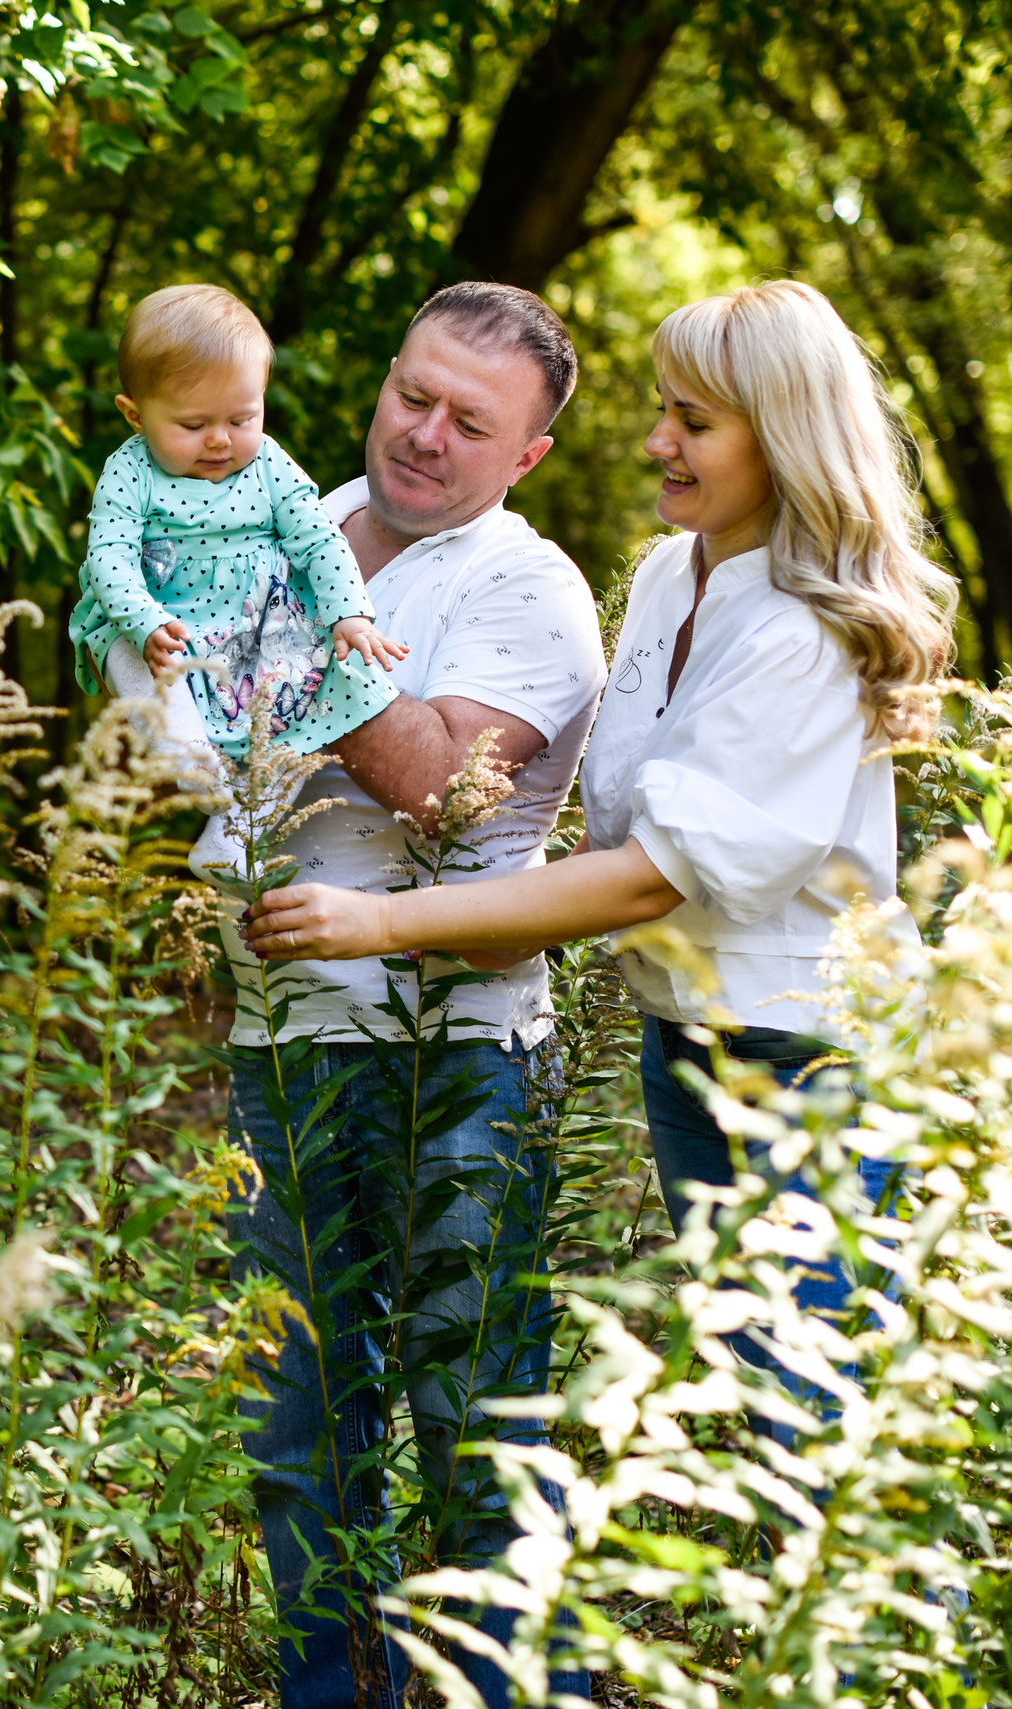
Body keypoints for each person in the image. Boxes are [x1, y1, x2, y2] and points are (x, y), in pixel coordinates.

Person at [241, 279, 957, 1414]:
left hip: (811, 1057)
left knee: (816, 1419)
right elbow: (612, 814)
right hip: (687, 1038)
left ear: (781, 438)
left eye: (694, 421)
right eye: (663, 408)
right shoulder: (674, 575)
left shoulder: (806, 627)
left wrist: (384, 920)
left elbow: (644, 875)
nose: (655, 440)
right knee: (761, 1401)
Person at [203, 282, 606, 1709]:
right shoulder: (294, 518)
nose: (424, 434)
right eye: (410, 394)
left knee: (471, 1419)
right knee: (299, 1423)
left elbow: (446, 787)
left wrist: (302, 609)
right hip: (284, 1041)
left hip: (458, 1058)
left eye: (469, 420)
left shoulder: (523, 586)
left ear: (526, 457)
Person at [69, 284, 410, 765]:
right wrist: (145, 623)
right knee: (126, 654)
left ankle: (234, 834)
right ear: (135, 415)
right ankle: (185, 752)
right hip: (156, 621)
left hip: (255, 625)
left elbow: (318, 537)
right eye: (192, 426)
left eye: (242, 418)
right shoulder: (131, 471)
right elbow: (108, 558)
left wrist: (349, 612)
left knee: (318, 698)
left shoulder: (269, 463)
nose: (219, 441)